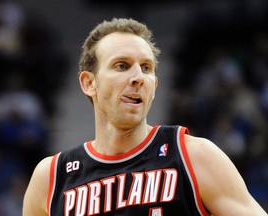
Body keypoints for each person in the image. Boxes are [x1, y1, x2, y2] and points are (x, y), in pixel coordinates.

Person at [22, 18, 268, 216]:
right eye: (122, 65)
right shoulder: (51, 178)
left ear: (155, 84)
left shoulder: (193, 156)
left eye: (147, 68)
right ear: (89, 82)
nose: (138, 77)